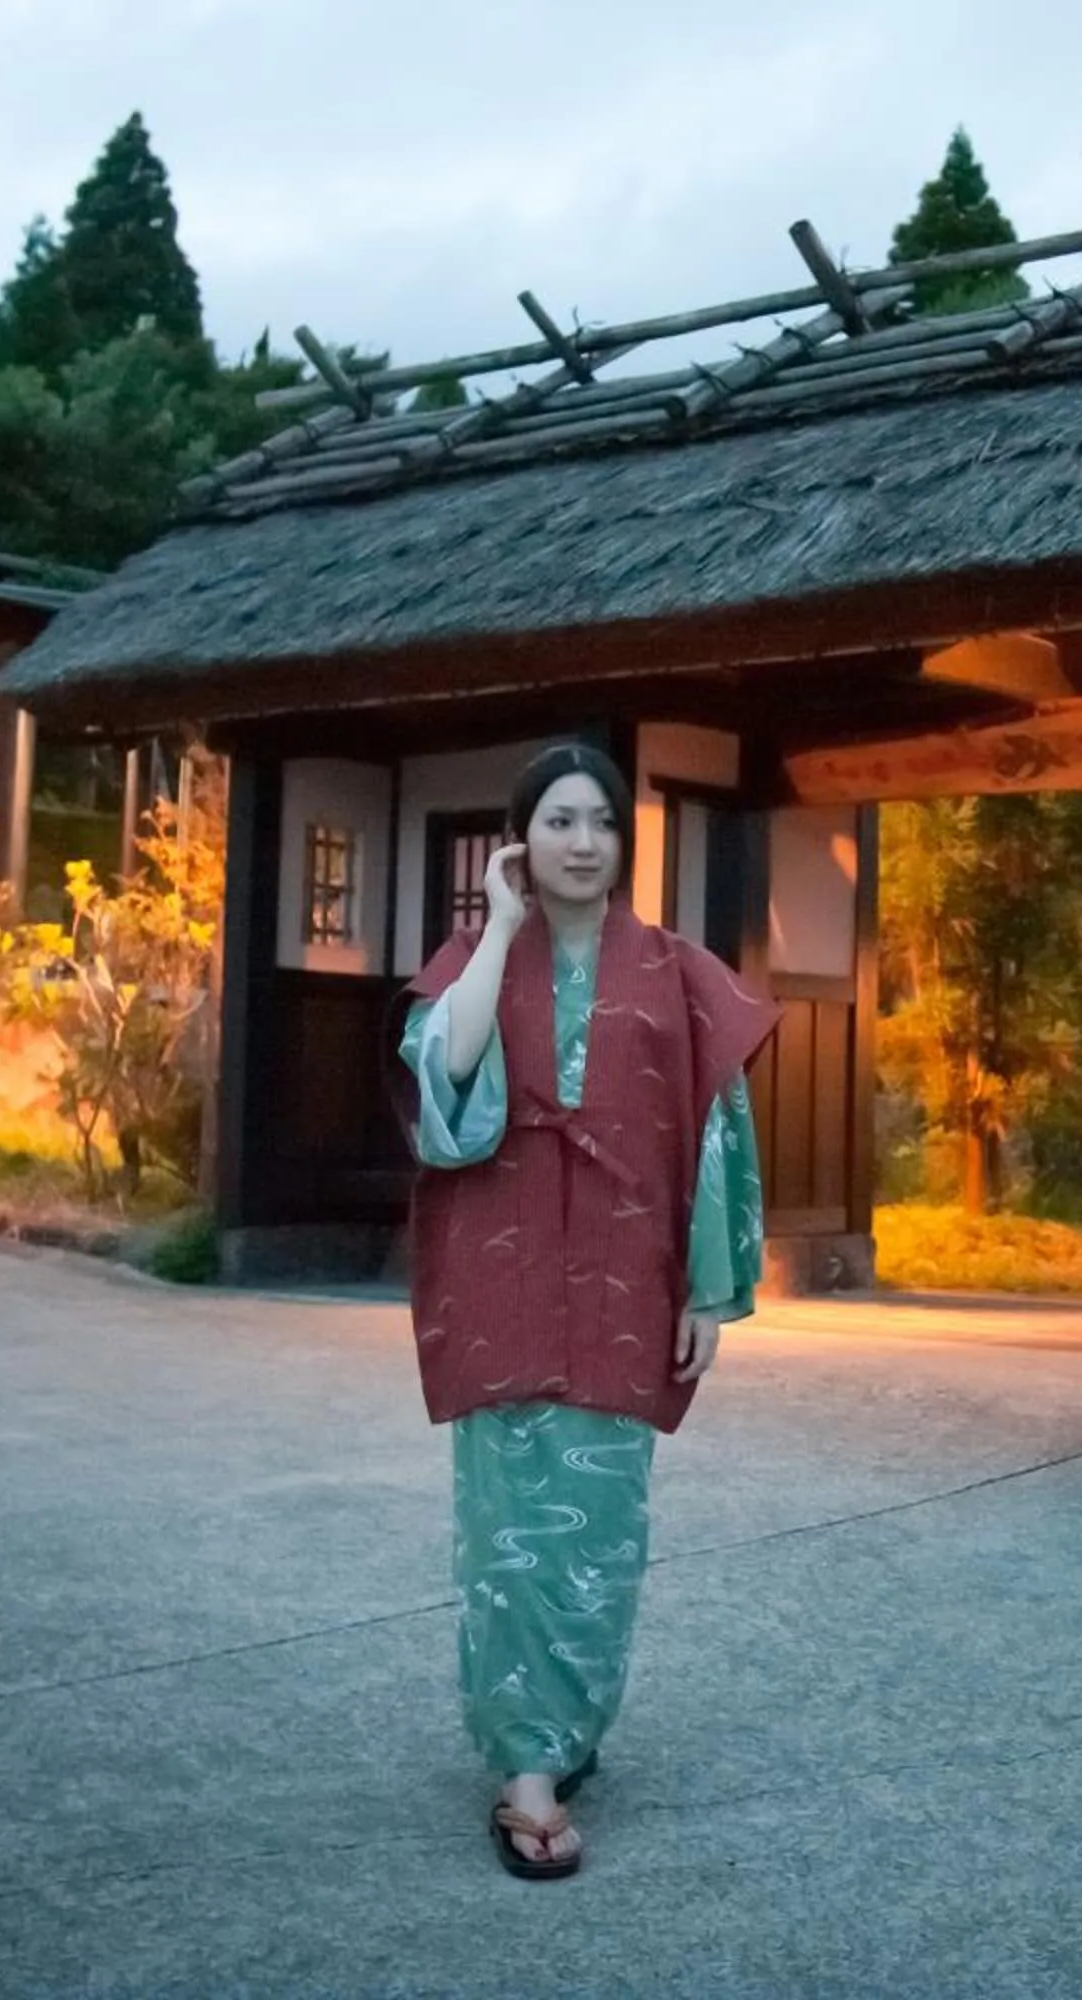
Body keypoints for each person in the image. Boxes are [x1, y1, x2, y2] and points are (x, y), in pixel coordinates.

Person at [392, 742, 779, 1881]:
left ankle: (565, 1729)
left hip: (620, 1273)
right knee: (508, 1536)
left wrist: (712, 1281)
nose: (581, 841)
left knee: (602, 1533)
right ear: (521, 837)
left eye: (601, 821)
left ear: (623, 840)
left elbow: (715, 1129)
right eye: (557, 820)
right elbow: (443, 1084)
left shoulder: (671, 968)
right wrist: (500, 930)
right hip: (498, 1270)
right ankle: (524, 1773)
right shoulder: (472, 955)